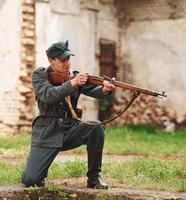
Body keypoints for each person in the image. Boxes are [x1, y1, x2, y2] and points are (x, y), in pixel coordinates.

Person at [21, 40, 115, 189]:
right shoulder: (39, 75)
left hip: (70, 129)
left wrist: (105, 89)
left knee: (96, 127)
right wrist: (72, 83)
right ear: (51, 60)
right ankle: (36, 164)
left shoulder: (74, 76)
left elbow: (94, 91)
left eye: (68, 59)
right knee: (31, 181)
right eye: (63, 60)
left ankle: (94, 178)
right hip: (47, 133)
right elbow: (48, 95)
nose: (67, 63)